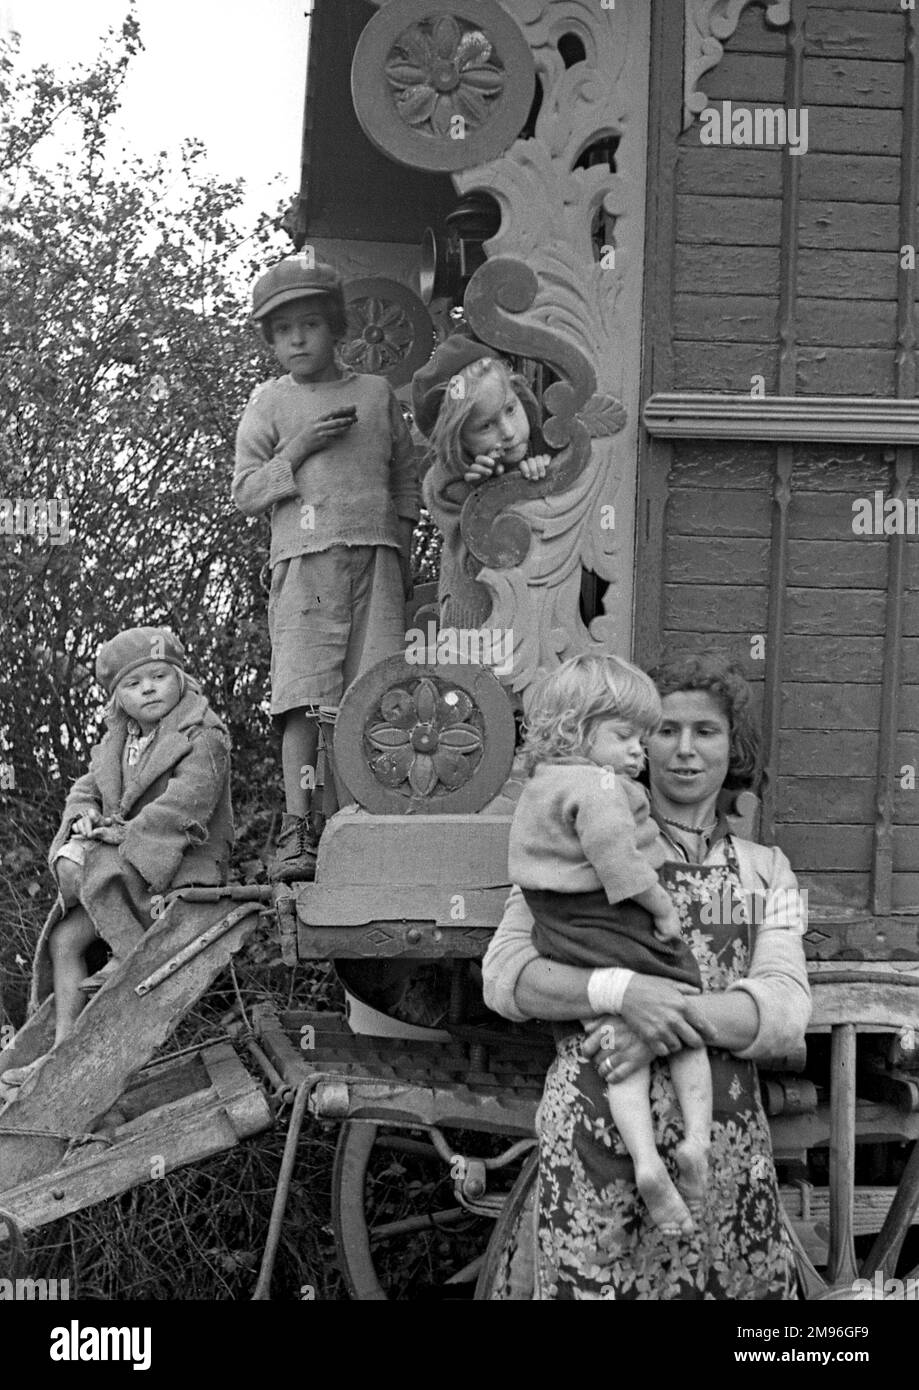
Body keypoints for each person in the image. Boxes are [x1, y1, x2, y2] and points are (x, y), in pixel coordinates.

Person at [483, 654, 811, 1300]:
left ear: (730, 748)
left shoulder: (769, 871)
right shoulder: (583, 846)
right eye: (666, 730)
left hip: (717, 1147)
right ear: (634, 741)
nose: (684, 750)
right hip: (594, 1139)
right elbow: (505, 976)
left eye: (705, 732)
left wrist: (659, 1023)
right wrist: (622, 993)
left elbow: (784, 1008)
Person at [509, 654, 711, 1237]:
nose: (638, 754)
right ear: (577, 729)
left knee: (611, 1046)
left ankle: (648, 1164)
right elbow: (620, 864)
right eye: (626, 736)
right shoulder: (600, 787)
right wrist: (665, 909)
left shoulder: (544, 784)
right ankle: (696, 1143)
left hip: (566, 931)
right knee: (685, 1010)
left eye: (640, 740)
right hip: (614, 921)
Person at [234, 256, 419, 881]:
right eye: (283, 330)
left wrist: (405, 546)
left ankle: (367, 818)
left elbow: (403, 481)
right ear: (270, 340)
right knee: (305, 700)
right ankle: (299, 830)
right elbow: (248, 493)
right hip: (305, 566)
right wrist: (302, 445)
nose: (297, 340)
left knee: (376, 691)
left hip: (377, 560)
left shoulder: (374, 393)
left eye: (310, 324)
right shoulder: (269, 403)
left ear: (335, 327)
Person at [2, 626, 233, 1088]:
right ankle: (62, 1053)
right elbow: (84, 790)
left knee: (97, 865)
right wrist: (85, 817)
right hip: (130, 863)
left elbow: (183, 808)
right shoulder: (116, 741)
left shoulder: (204, 735)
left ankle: (125, 948)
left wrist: (115, 833)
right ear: (118, 698)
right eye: (133, 683)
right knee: (64, 939)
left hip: (182, 865)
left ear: (180, 680)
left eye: (159, 676)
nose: (148, 688)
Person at [411, 336, 552, 632]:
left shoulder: (542, 449)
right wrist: (480, 493)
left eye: (511, 410)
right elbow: (483, 557)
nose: (509, 432)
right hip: (475, 616)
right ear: (457, 437)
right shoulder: (442, 485)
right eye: (486, 426)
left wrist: (540, 477)